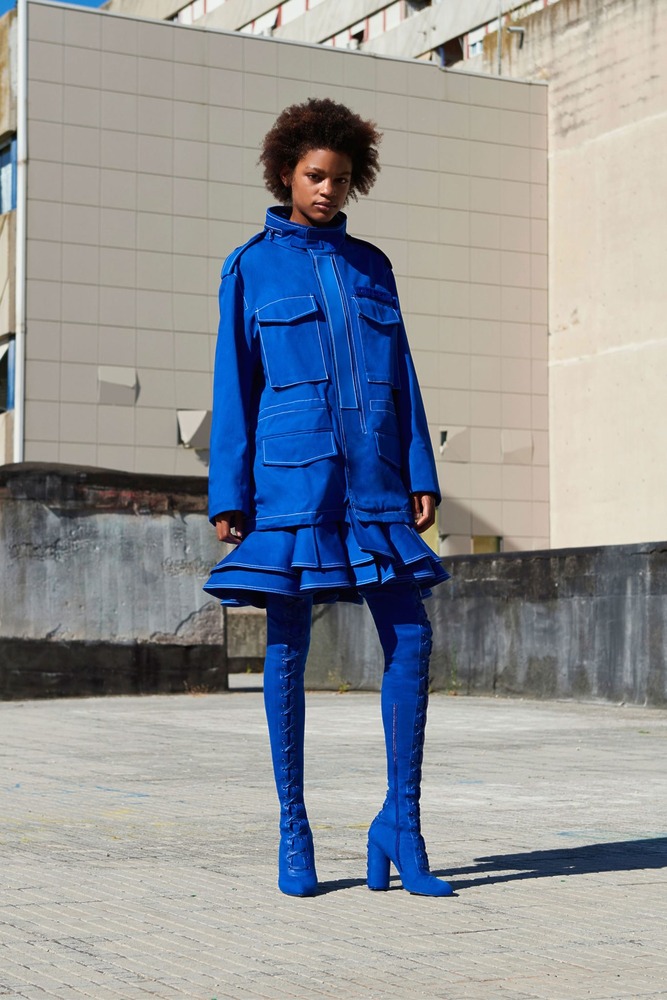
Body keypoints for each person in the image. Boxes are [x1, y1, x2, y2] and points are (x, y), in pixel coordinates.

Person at [204, 98, 453, 898]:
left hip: (375, 477)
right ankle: (293, 830)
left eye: (341, 179)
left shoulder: (372, 265)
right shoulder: (250, 266)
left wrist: (419, 471)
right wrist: (229, 491)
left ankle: (400, 825)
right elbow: (234, 385)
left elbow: (403, 374)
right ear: (285, 173)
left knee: (410, 635)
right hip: (292, 481)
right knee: (286, 646)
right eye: (315, 176)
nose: (327, 190)